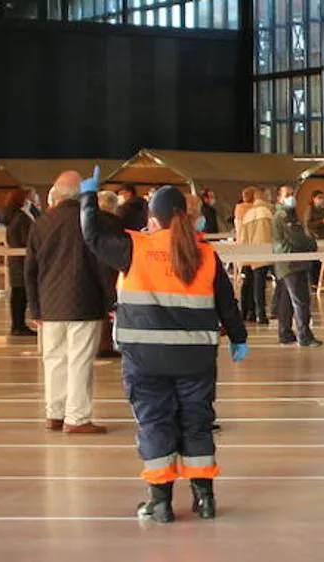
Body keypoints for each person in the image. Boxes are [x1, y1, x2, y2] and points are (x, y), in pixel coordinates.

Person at [80, 171, 248, 523]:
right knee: (197, 423)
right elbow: (227, 303)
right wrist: (238, 338)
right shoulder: (205, 253)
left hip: (145, 359)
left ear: (152, 219)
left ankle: (160, 502)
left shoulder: (134, 248)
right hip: (196, 358)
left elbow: (93, 236)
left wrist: (89, 198)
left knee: (155, 423)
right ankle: (205, 500)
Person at [25, 172, 112, 435]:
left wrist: (35, 307)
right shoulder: (89, 220)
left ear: (57, 193)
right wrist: (111, 301)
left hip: (50, 304)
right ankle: (77, 418)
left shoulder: (40, 223)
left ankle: (54, 413)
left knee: (54, 360)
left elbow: (30, 269)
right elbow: (102, 265)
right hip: (83, 301)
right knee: (80, 361)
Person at [271, 183, 322, 348]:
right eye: (287, 194)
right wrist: (312, 244)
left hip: (289, 263)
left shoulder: (290, 214)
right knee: (301, 300)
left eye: (292, 194)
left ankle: (285, 333)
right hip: (292, 263)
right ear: (279, 198)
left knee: (287, 301)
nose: (291, 197)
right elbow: (298, 239)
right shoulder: (283, 216)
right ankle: (304, 335)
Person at [236, 187, 274, 324]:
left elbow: (243, 236)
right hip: (267, 251)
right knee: (263, 284)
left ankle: (257, 314)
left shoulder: (248, 214)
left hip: (252, 252)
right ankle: (264, 313)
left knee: (255, 285)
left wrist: (244, 256)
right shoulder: (269, 211)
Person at [3, 188, 38, 337]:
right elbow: (27, 239)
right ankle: (18, 325)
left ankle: (17, 324)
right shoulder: (22, 218)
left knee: (17, 294)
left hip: (15, 261)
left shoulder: (11, 216)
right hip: (22, 261)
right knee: (21, 295)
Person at [95, 191, 125, 360]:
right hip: (110, 267)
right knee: (109, 307)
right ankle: (105, 344)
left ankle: (99, 343)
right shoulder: (115, 223)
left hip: (92, 268)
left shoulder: (90, 222)